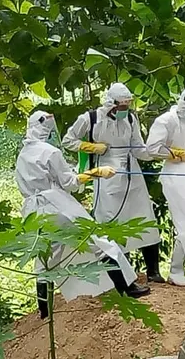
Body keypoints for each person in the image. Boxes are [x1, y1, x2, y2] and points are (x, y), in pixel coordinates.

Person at [16, 111, 150, 319]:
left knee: (45, 258)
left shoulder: (23, 155)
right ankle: (127, 288)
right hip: (56, 206)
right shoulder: (50, 152)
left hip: (33, 211)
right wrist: (95, 173)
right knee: (99, 241)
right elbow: (68, 183)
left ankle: (44, 311)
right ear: (46, 130)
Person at [63, 83, 164, 283]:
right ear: (111, 104)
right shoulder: (91, 119)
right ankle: (122, 275)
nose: (125, 110)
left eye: (128, 106)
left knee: (144, 217)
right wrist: (91, 147)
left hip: (131, 171)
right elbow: (68, 140)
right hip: (105, 172)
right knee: (111, 221)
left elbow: (137, 148)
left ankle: (153, 271)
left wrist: (156, 152)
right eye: (122, 106)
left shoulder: (131, 118)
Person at [146, 85, 185, 287]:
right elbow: (152, 148)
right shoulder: (166, 121)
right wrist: (177, 153)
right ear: (184, 102)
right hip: (175, 175)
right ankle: (176, 270)